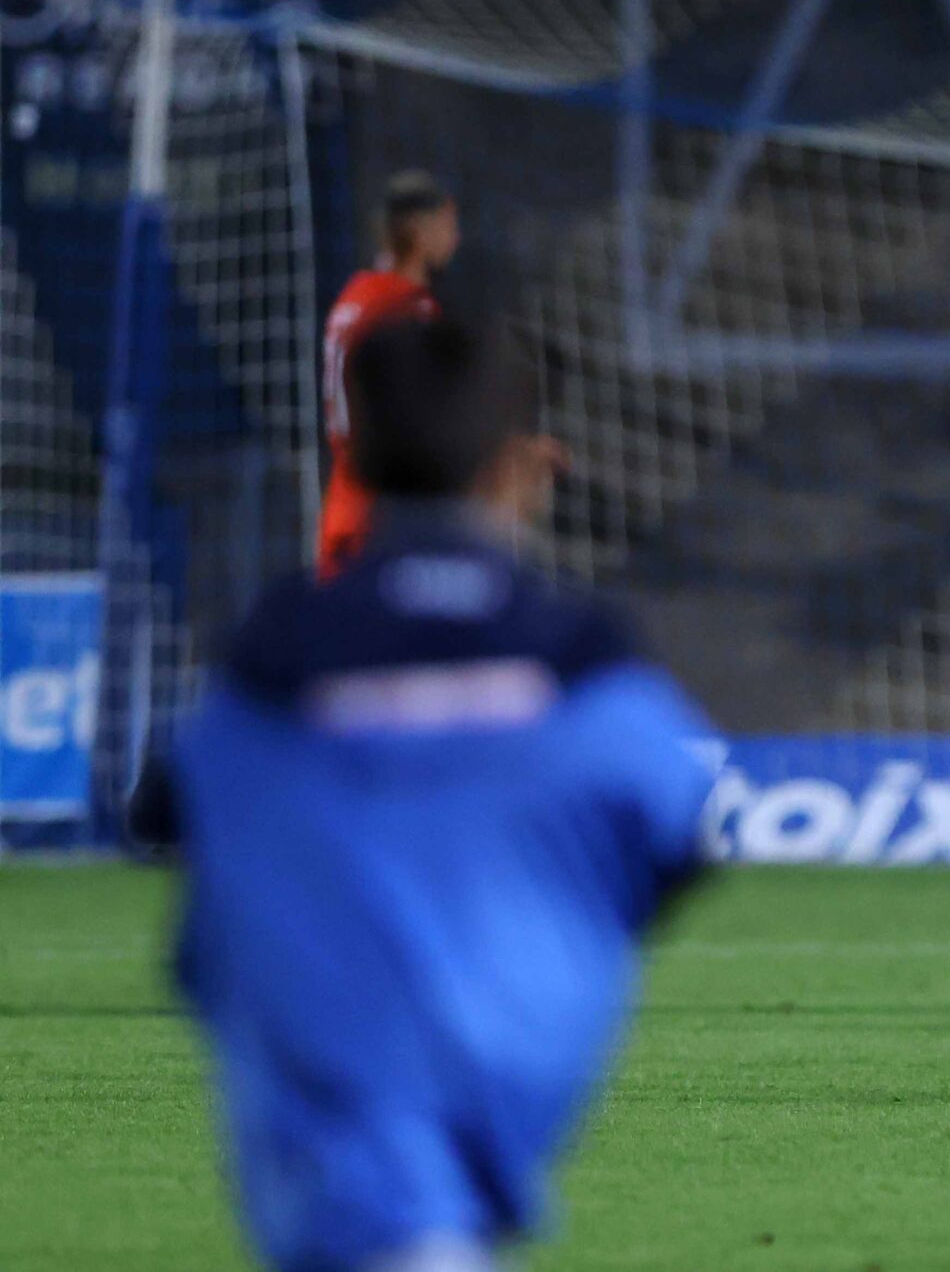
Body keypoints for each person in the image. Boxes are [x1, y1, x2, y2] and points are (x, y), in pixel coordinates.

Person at [168, 317, 721, 1270]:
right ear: (528, 467)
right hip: (442, 1158)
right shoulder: (578, 655)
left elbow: (175, 815)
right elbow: (678, 826)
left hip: (329, 1144)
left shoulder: (268, 657)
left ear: (354, 459)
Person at [316, 171, 460, 578]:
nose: (455, 240)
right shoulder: (408, 310)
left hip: (343, 508)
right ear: (419, 230)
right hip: (388, 523)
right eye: (449, 226)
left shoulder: (355, 297)